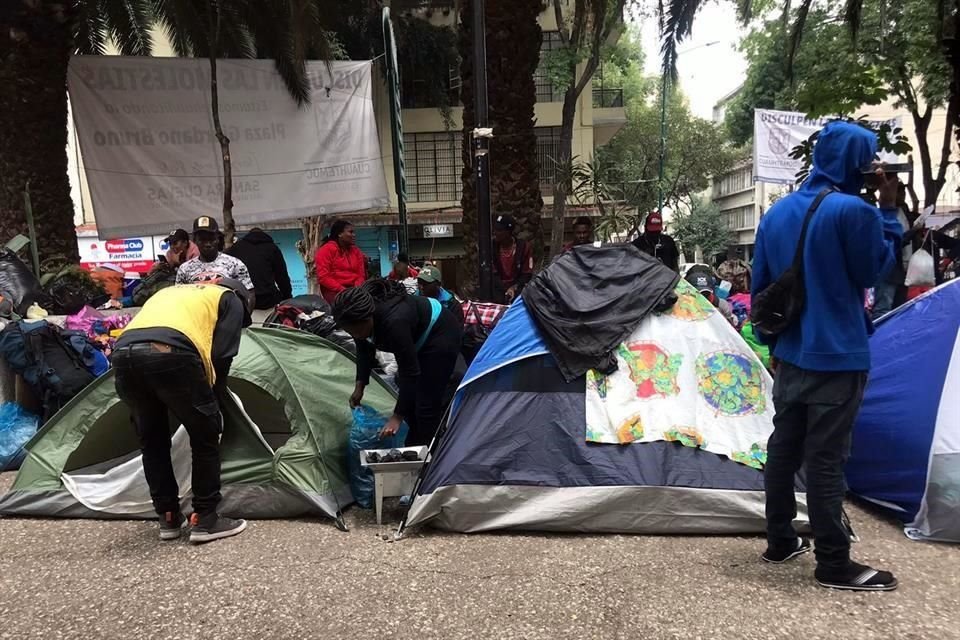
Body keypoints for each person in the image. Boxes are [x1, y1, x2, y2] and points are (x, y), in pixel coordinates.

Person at [752, 121, 902, 592]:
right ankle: (834, 563)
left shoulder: (776, 214)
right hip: (837, 354)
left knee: (784, 448)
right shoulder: (854, 211)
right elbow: (873, 269)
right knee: (826, 458)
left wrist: (774, 345)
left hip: (790, 352)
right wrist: (890, 212)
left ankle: (780, 540)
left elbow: (760, 286)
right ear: (861, 162)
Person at [112, 278, 253, 544]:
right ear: (243, 298)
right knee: (205, 436)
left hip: (123, 353)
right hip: (172, 351)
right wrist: (214, 402)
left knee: (152, 440)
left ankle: (167, 517)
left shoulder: (174, 291)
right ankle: (206, 518)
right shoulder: (230, 297)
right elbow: (222, 355)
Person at [333, 280, 461, 447]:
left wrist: (396, 417)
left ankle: (431, 456)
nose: (356, 334)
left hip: (440, 332)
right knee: (410, 401)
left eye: (357, 330)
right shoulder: (359, 320)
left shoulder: (394, 322)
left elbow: (410, 371)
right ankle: (414, 445)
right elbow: (364, 350)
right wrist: (360, 386)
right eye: (351, 332)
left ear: (368, 317)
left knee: (426, 405)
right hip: (416, 337)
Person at [176, 216, 254, 292]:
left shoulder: (235, 264)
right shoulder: (184, 269)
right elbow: (179, 297)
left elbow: (249, 294)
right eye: (202, 239)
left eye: (211, 239)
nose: (207, 244)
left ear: (217, 239)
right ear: (194, 240)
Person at [226, 228, 292, 310]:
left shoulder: (235, 248)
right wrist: (288, 297)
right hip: (268, 299)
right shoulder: (272, 248)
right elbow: (282, 277)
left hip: (243, 299)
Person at [872, 184, 911, 318]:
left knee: (899, 309)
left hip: (901, 270)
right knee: (883, 309)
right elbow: (893, 241)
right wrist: (912, 233)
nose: (903, 196)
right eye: (899, 192)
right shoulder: (881, 216)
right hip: (888, 270)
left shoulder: (903, 212)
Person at [314, 220, 367, 304]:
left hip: (355, 290)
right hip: (334, 292)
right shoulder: (326, 250)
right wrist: (343, 290)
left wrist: (357, 289)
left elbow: (361, 274)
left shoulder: (356, 251)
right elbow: (323, 277)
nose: (354, 235)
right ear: (340, 234)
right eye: (350, 232)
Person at [492, 214, 534, 304]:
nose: (495, 233)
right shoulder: (491, 247)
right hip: (497, 291)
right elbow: (492, 273)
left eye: (499, 230)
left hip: (518, 290)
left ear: (508, 232)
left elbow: (527, 274)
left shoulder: (523, 247)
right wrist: (505, 289)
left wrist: (514, 287)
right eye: (495, 229)